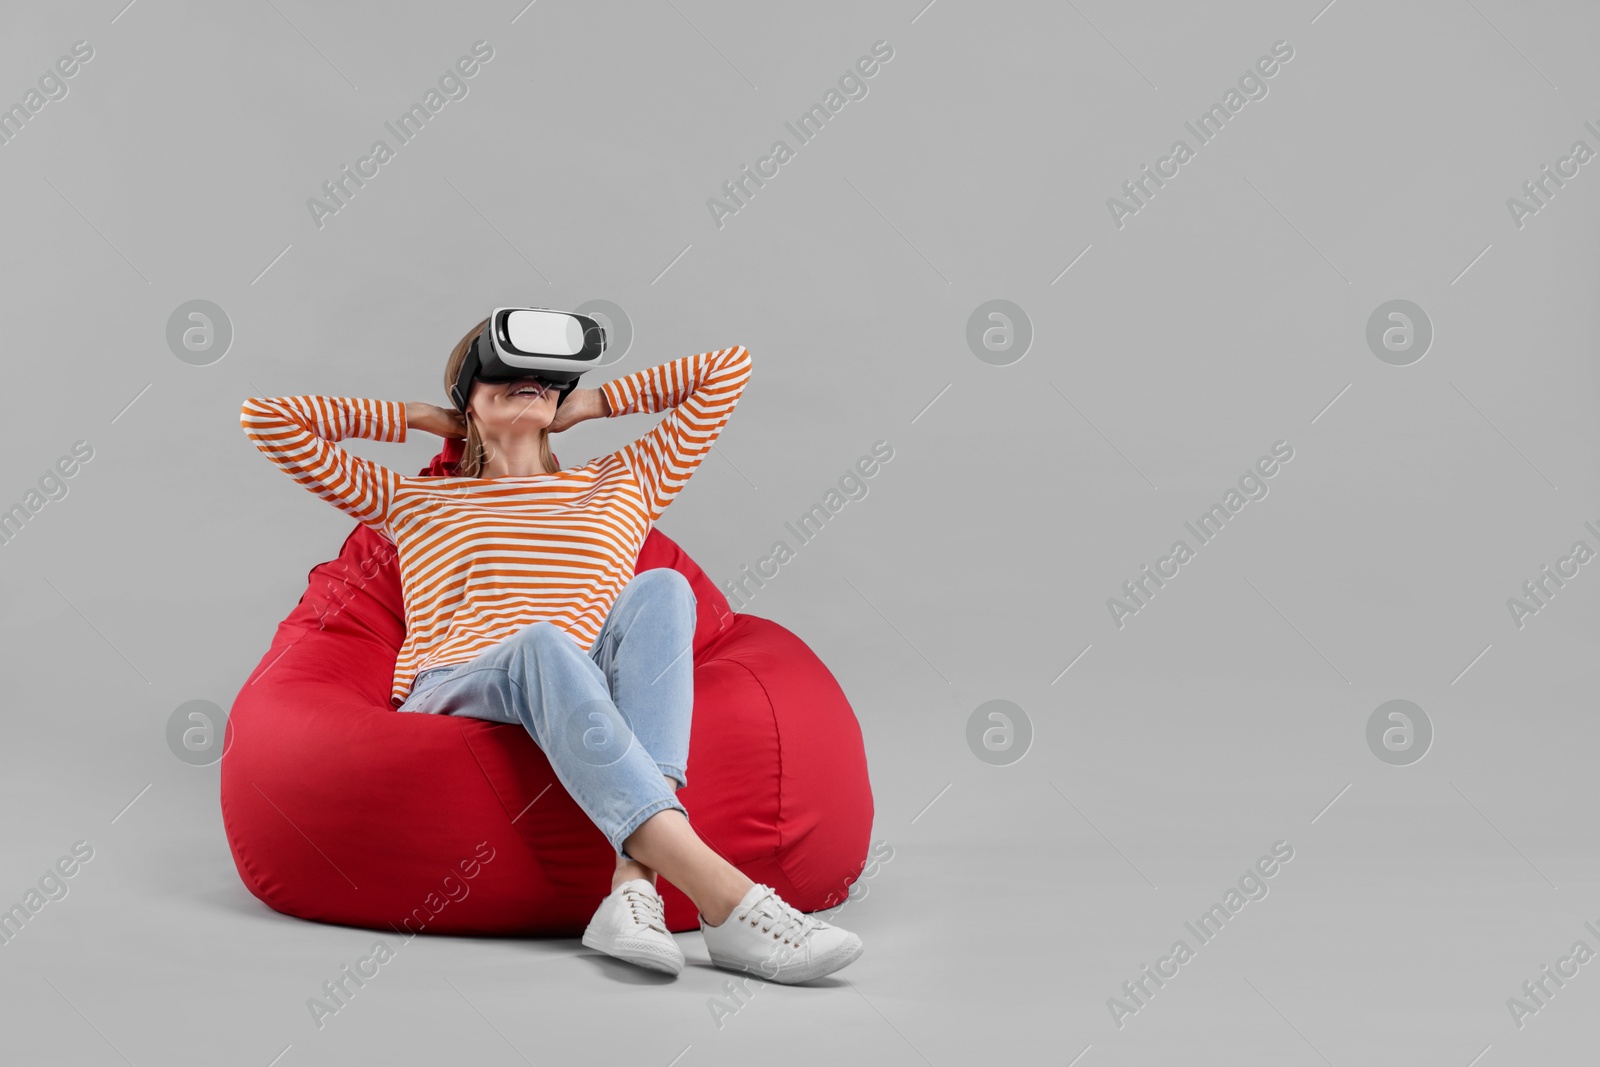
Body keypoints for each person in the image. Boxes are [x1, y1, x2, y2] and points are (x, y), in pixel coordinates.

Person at [239, 318, 863, 983]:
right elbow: (269, 420)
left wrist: (588, 404)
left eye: (543, 378)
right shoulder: (414, 499)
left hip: (574, 680)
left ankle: (633, 887)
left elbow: (726, 369)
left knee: (663, 589)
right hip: (456, 683)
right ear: (468, 397)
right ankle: (728, 901)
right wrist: (425, 417)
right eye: (502, 374)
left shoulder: (622, 482)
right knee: (542, 642)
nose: (526, 385)